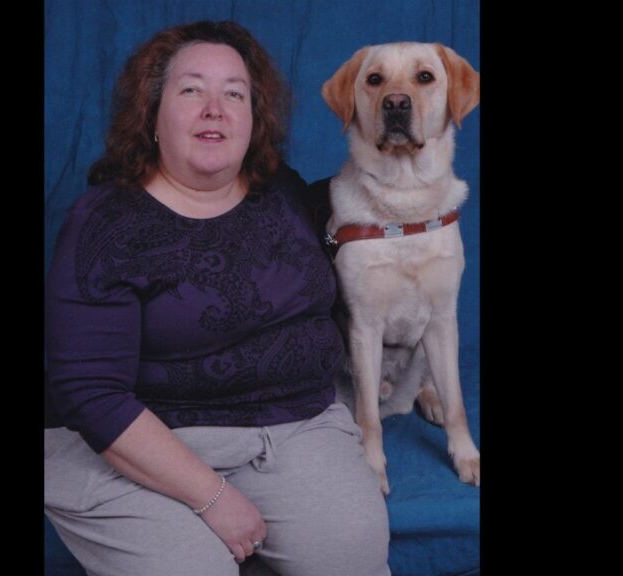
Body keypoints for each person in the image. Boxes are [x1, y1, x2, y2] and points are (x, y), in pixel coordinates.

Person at [44, 20, 390, 576]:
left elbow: (360, 224)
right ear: (151, 115)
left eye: (235, 93)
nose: (215, 108)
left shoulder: (280, 190)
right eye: (191, 90)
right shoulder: (106, 225)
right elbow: (92, 395)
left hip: (294, 424)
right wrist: (213, 499)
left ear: (254, 120)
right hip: (139, 441)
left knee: (353, 558)